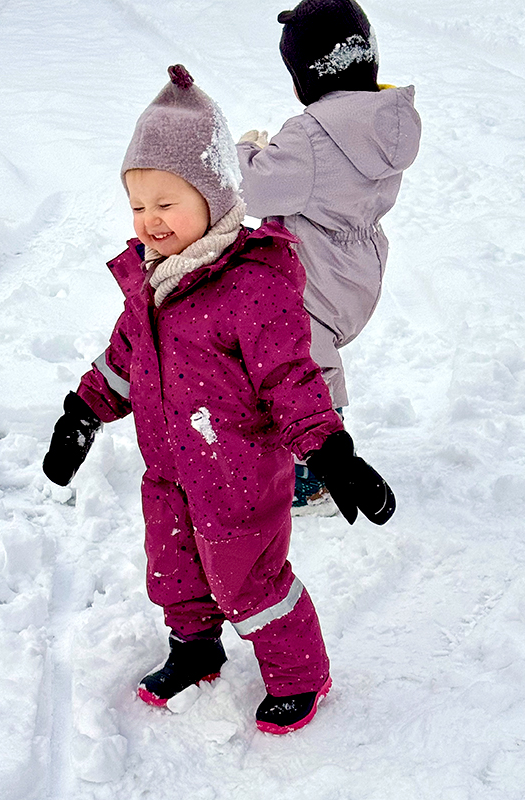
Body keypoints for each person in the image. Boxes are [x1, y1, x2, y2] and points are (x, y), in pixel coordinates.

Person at [42, 65, 395, 734]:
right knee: (174, 571)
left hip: (237, 482)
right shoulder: (150, 286)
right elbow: (124, 360)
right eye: (138, 205)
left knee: (249, 583)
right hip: (170, 472)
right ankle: (195, 647)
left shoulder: (252, 287)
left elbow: (292, 381)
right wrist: (82, 411)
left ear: (213, 197)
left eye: (166, 204)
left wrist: (331, 451)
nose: (149, 222)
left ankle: (300, 674)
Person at [237, 0, 421, 511]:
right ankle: (317, 448)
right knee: (313, 352)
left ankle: (309, 471)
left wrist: (246, 149)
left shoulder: (312, 136)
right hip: (359, 267)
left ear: (308, 74)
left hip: (314, 265)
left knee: (299, 351)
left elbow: (250, 190)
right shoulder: (387, 123)